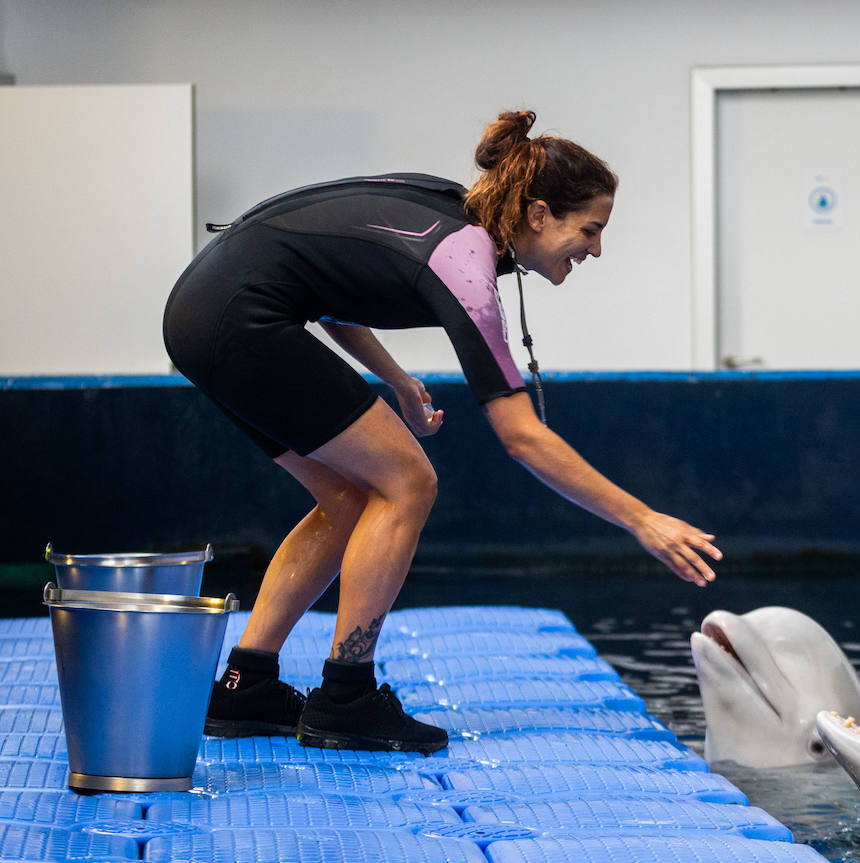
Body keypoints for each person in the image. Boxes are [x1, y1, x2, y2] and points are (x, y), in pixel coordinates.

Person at [162, 109, 722, 753]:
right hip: (238, 319)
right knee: (407, 483)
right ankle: (347, 696)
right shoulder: (464, 257)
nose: (596, 248)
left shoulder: (448, 214)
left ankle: (245, 684)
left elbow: (326, 284)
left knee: (347, 497)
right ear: (539, 214)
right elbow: (522, 437)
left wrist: (395, 379)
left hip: (201, 316)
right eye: (590, 230)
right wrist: (644, 520)